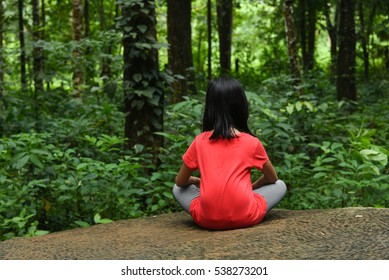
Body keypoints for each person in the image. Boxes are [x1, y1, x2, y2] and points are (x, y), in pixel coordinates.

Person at [173, 77, 287, 230]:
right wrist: (251, 188)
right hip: (245, 216)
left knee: (176, 189)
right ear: (241, 106)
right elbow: (272, 178)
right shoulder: (251, 142)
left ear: (210, 107)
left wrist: (196, 181)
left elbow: (180, 182)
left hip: (208, 220)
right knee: (280, 185)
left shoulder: (199, 141)